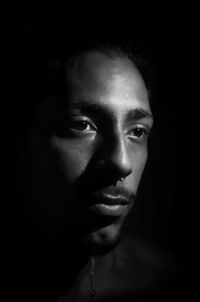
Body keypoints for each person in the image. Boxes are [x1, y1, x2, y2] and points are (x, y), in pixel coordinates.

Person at [8, 28, 177, 302]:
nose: (121, 163)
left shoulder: (162, 284)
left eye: (136, 131)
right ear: (21, 137)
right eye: (83, 125)